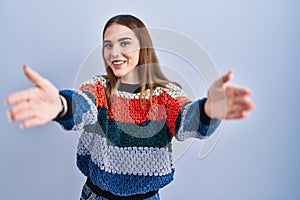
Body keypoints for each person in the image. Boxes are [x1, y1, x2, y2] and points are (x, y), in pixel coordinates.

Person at [5, 14, 254, 200]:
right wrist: (61, 105)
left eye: (124, 43)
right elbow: (83, 105)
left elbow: (187, 119)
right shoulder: (99, 88)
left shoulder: (164, 95)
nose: (115, 52)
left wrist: (209, 110)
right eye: (108, 45)